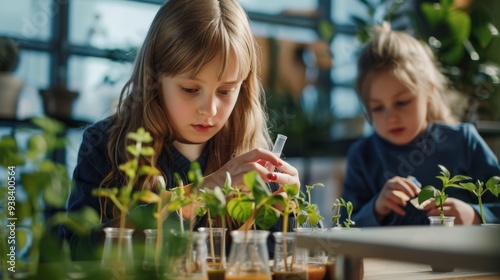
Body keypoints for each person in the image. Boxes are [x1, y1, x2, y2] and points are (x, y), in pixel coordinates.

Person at [59, 0, 300, 260]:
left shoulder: (249, 157)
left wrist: (285, 215)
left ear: (243, 87)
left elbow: (271, 263)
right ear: (153, 79)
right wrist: (196, 196)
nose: (209, 110)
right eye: (190, 89)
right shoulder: (104, 144)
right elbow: (78, 252)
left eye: (225, 91)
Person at [340, 24, 500, 227]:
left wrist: (475, 215)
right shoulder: (362, 156)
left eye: (402, 102)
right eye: (378, 108)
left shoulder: (464, 142)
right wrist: (376, 209)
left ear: (429, 94)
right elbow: (343, 228)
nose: (392, 118)